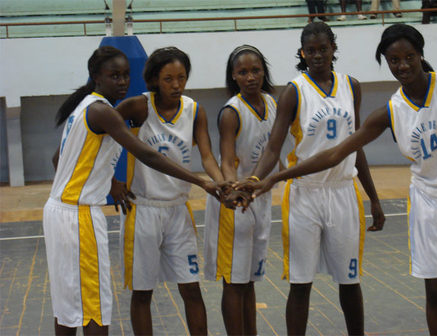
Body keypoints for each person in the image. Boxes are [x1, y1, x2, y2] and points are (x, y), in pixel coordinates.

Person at [243, 24, 437, 336]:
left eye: (409, 57)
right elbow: (335, 154)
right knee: (436, 293)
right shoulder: (391, 111)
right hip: (428, 202)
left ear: (420, 54)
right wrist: (271, 178)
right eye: (394, 60)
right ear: (386, 62)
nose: (403, 65)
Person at [43, 46, 219, 335]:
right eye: (114, 76)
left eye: (125, 75)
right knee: (94, 309)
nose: (122, 81)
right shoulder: (103, 111)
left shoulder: (85, 106)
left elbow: (56, 159)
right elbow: (148, 155)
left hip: (61, 211)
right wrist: (202, 181)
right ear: (96, 77)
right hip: (80, 215)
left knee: (69, 307)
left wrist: (105, 181)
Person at [236, 22, 385, 335]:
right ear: (302, 53)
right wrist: (254, 179)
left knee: (350, 280)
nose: (317, 55)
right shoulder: (294, 91)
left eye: (323, 49)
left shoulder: (351, 85)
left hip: (344, 192)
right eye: (311, 50)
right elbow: (274, 146)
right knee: (300, 283)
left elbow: (357, 147)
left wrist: (373, 198)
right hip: (305, 194)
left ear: (333, 48)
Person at [112, 47, 224, 336]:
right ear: (154, 80)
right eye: (168, 79)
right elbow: (99, 133)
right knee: (142, 293)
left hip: (178, 210)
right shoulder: (138, 106)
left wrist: (220, 181)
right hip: (143, 209)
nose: (176, 85)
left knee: (191, 289)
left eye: (182, 77)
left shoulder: (194, 109)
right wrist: (111, 180)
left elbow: (208, 156)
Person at [202, 45, 277, 336]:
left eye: (255, 70)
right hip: (236, 202)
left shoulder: (272, 103)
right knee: (234, 282)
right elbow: (227, 159)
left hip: (260, 198)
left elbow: (275, 152)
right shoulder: (231, 112)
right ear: (233, 76)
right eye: (243, 72)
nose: (250, 77)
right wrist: (235, 188)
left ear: (263, 72)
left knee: (249, 280)